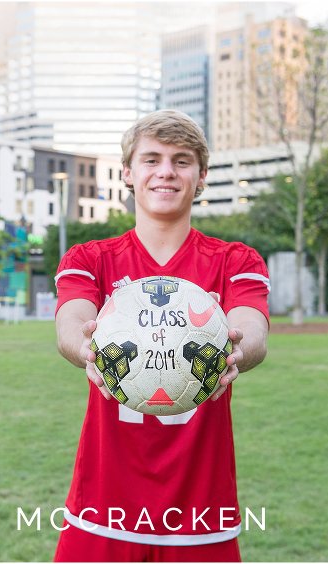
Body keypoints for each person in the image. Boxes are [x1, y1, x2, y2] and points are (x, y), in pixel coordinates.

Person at [53, 110, 270, 562]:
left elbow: (252, 329)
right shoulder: (91, 258)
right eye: (152, 160)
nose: (166, 172)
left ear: (202, 176)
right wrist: (87, 349)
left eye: (182, 160)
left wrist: (235, 352)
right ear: (129, 173)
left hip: (201, 514)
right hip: (102, 505)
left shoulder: (236, 260)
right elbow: (71, 323)